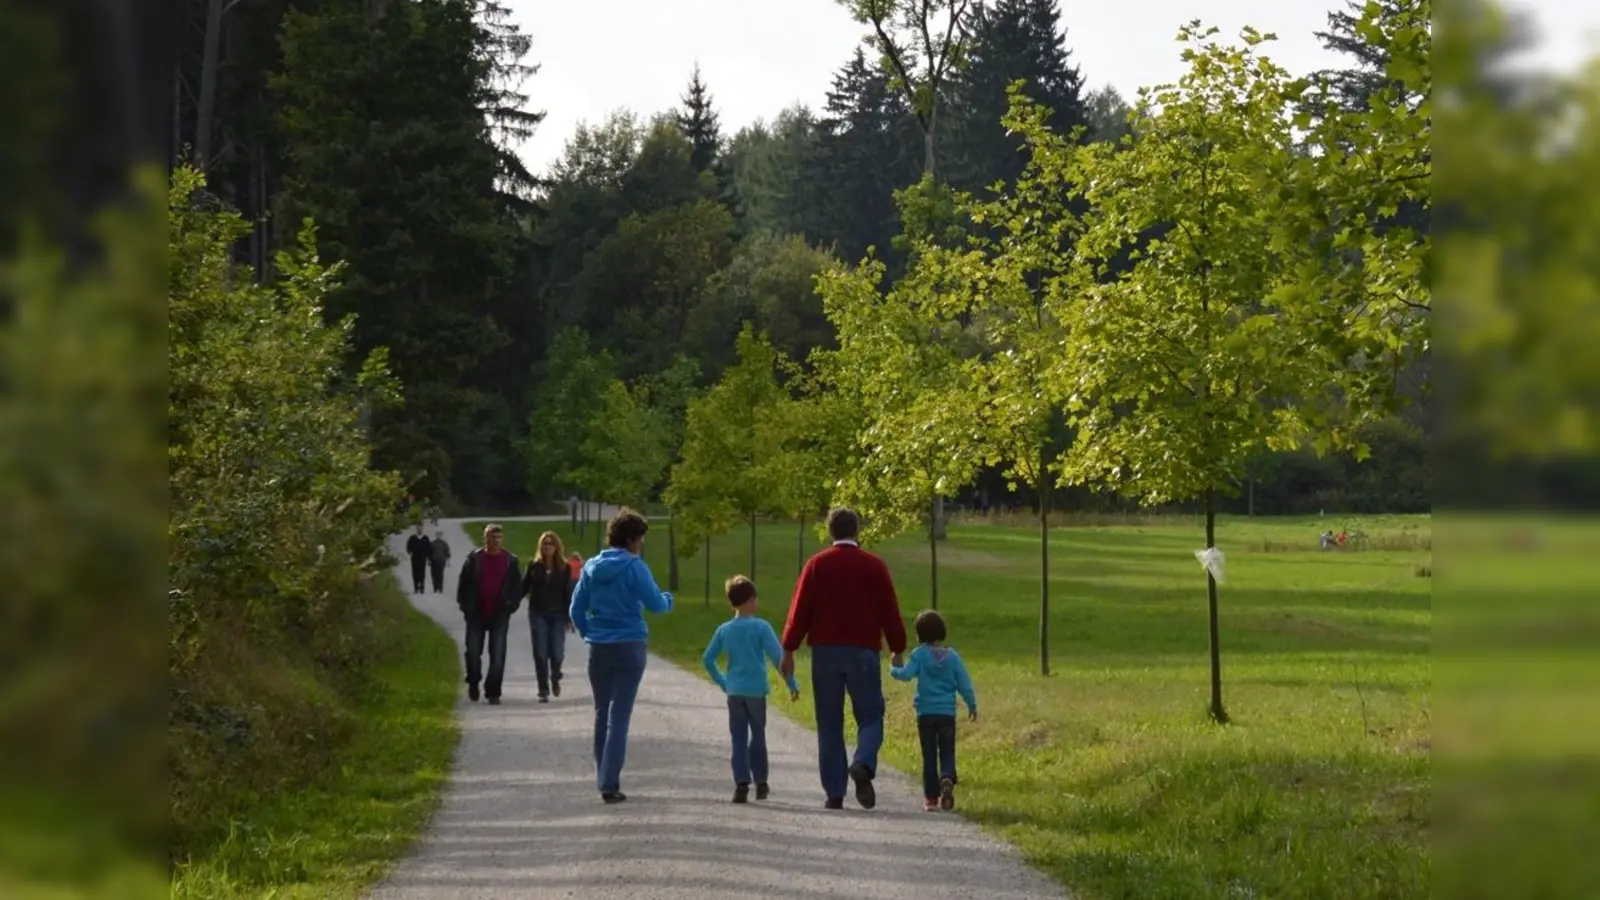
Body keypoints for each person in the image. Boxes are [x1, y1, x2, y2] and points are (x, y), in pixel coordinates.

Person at [780, 507, 908, 811]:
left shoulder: (816, 565)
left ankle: (834, 792)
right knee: (871, 715)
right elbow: (889, 608)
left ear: (830, 531)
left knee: (829, 722)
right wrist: (897, 647)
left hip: (825, 653)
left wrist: (789, 649)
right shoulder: (874, 566)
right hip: (863, 651)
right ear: (857, 531)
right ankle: (863, 762)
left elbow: (800, 611)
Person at [570, 508, 673, 803]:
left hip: (599, 648)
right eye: (640, 539)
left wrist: (591, 632)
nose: (641, 544)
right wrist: (668, 600)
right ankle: (609, 783)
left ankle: (603, 776)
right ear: (631, 539)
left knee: (602, 713)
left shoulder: (591, 567)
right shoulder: (634, 566)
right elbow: (655, 603)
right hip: (629, 645)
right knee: (620, 716)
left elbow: (576, 610)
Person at [701, 575, 800, 804]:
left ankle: (741, 784)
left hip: (734, 691)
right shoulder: (761, 627)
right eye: (755, 598)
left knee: (738, 737)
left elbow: (708, 659)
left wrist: (723, 681)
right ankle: (761, 782)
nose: (757, 602)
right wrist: (792, 684)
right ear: (748, 601)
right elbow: (778, 658)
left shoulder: (724, 630)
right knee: (758, 736)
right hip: (756, 691)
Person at [889, 610, 977, 812]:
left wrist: (893, 668)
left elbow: (906, 675)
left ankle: (931, 798)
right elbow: (964, 683)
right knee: (947, 750)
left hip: (926, 714)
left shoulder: (919, 655)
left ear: (919, 634)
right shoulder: (953, 657)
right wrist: (972, 704)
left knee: (929, 755)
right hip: (947, 714)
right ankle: (947, 777)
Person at [455, 523, 522, 705]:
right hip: (476, 612)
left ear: (502, 539)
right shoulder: (474, 559)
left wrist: (511, 605)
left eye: (498, 537)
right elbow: (463, 585)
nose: (495, 541)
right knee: (473, 651)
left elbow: (517, 587)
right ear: (485, 538)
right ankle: (474, 681)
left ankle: (493, 691)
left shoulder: (510, 560)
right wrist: (465, 607)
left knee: (498, 653)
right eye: (491, 537)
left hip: (499, 613)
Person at [521, 530, 575, 702]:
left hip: (558, 614)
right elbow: (523, 588)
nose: (547, 546)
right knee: (540, 652)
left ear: (557, 547)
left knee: (557, 652)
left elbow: (568, 593)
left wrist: (570, 617)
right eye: (544, 543)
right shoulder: (533, 566)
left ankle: (556, 676)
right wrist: (509, 602)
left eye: (551, 543)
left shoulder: (565, 568)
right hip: (538, 613)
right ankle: (543, 690)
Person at [404, 525, 432, 595]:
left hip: (423, 558)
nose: (420, 530)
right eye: (418, 529)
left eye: (421, 529)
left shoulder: (426, 538)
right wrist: (410, 552)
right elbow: (408, 547)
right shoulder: (412, 538)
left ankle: (422, 588)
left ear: (423, 530)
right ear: (416, 530)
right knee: (415, 573)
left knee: (422, 573)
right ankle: (416, 588)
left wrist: (429, 558)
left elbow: (429, 549)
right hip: (414, 558)